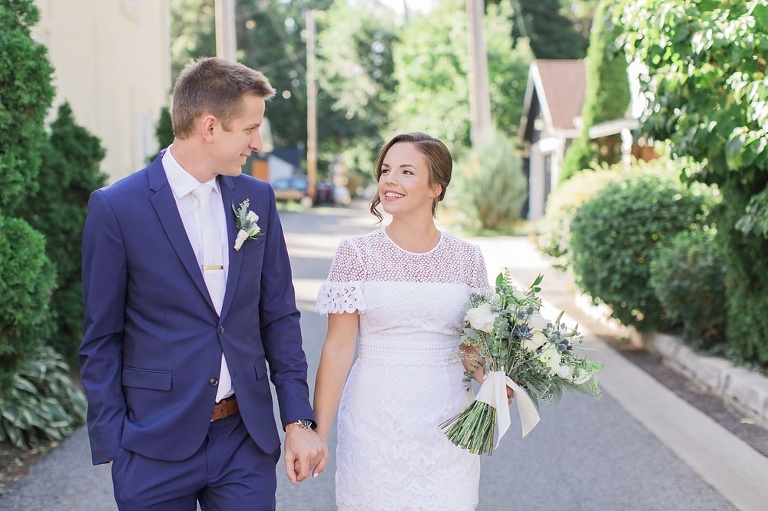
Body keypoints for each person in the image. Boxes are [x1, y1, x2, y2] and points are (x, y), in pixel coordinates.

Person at [79, 57, 327, 511]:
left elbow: (279, 315)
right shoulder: (117, 208)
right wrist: (114, 445)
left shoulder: (257, 199)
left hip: (242, 440)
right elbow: (101, 339)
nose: (257, 143)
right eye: (250, 129)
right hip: (152, 446)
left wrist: (297, 419)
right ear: (210, 127)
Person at [313, 132, 495, 510]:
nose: (390, 180)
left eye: (406, 171)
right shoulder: (356, 254)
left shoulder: (467, 258)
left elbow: (471, 347)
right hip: (374, 422)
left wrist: (496, 381)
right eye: (385, 170)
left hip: (448, 423)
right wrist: (319, 432)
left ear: (436, 187)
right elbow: (338, 347)